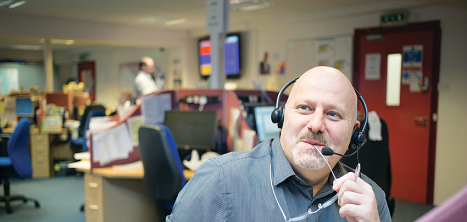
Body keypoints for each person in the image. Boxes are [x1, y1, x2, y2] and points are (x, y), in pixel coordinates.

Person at [167, 66, 391, 221]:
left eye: (333, 114)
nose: (316, 124)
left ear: (355, 133)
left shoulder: (372, 201)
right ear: (282, 116)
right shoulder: (219, 181)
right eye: (305, 108)